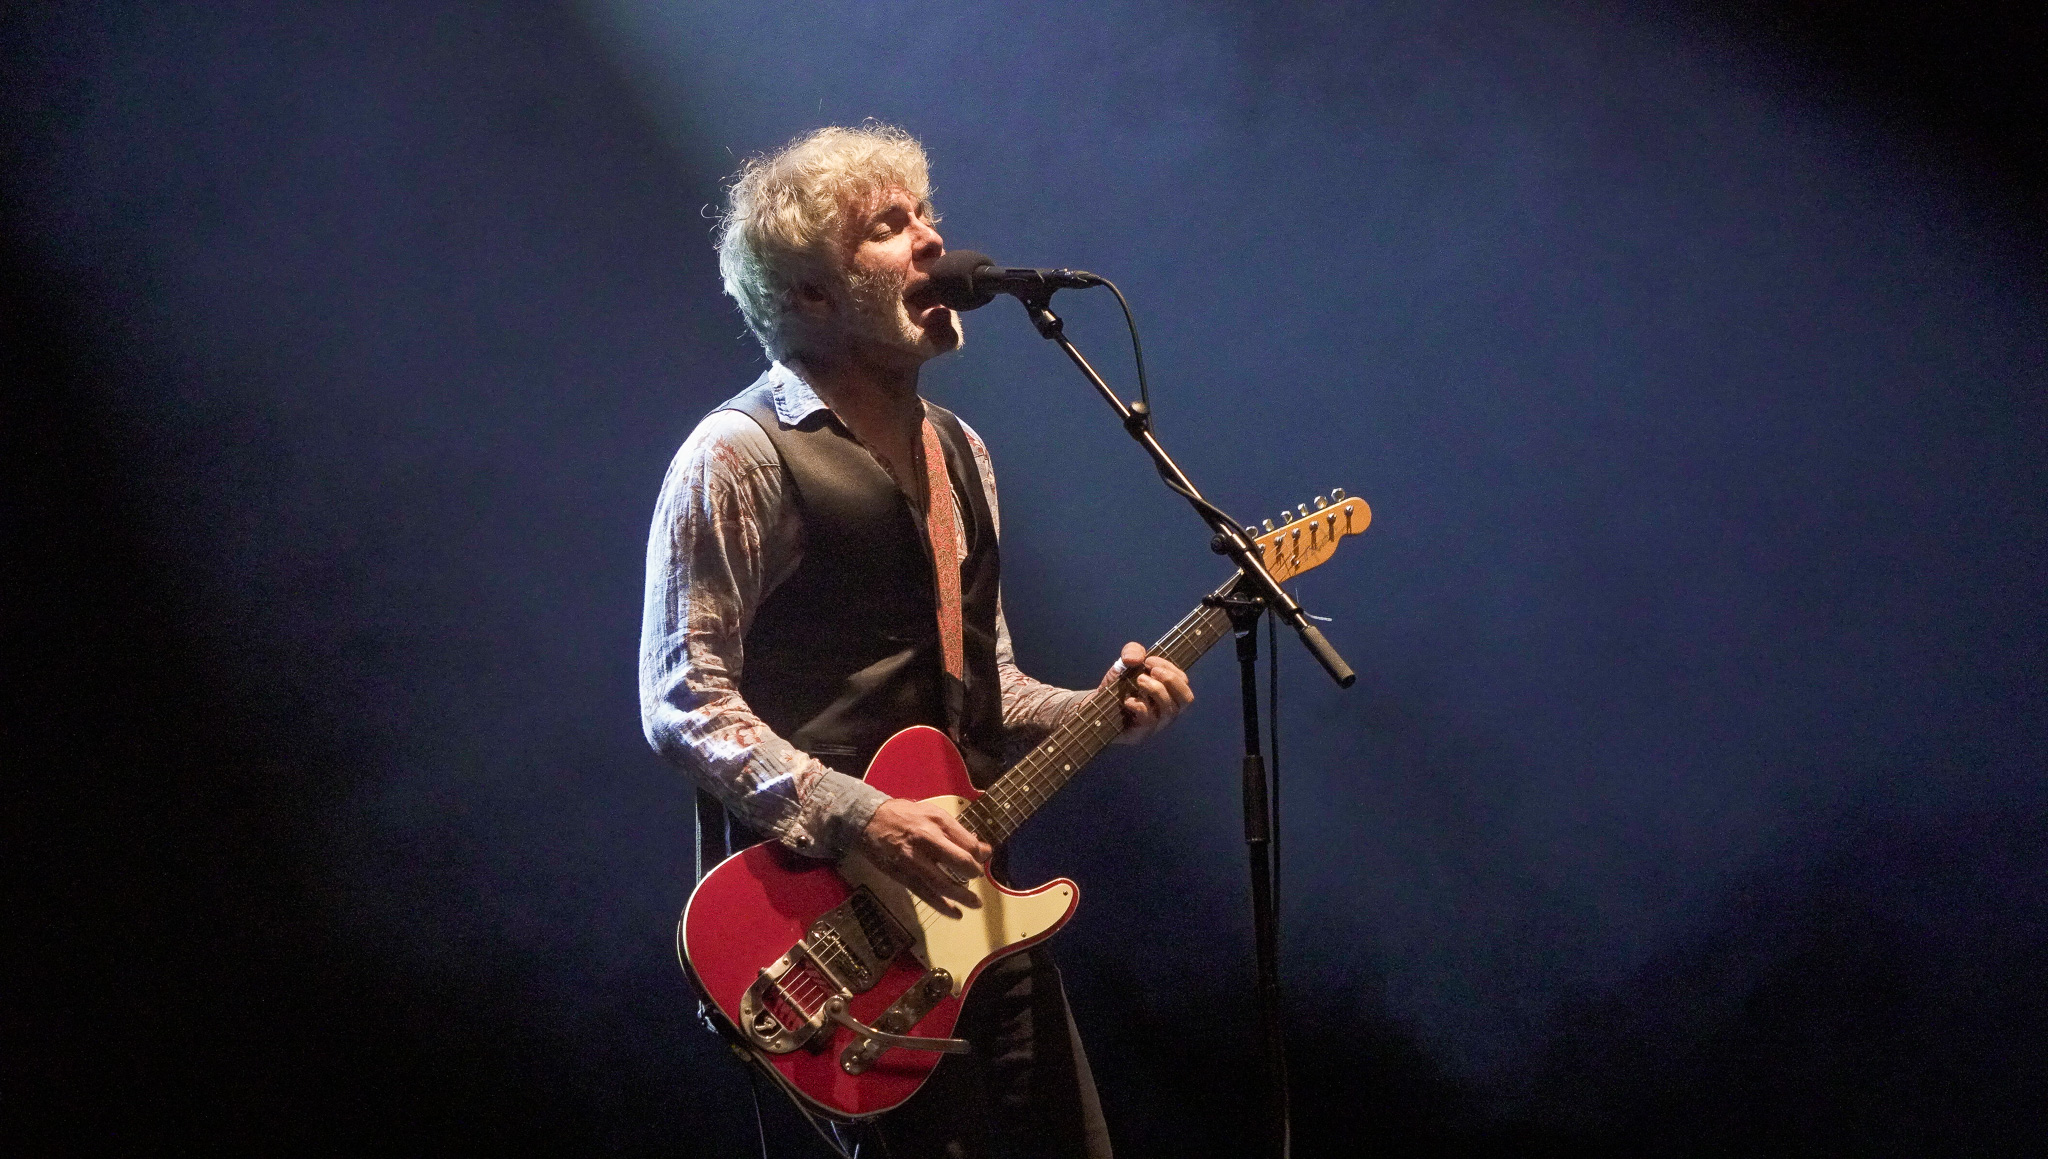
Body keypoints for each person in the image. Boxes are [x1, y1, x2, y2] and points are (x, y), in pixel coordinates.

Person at [638, 123, 1193, 1157]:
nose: (933, 240)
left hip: (974, 914)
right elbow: (684, 702)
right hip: (833, 943)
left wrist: (1096, 711)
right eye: (887, 226)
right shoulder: (735, 456)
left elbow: (987, 683)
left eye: (925, 213)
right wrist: (865, 817)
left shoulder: (959, 452)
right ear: (809, 293)